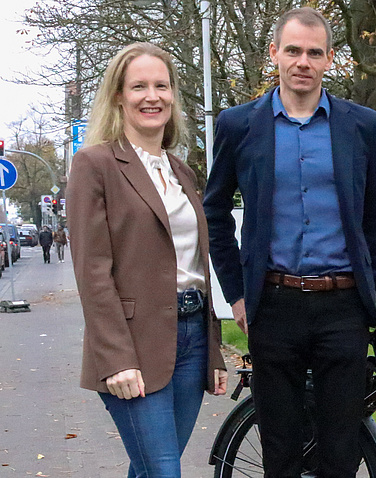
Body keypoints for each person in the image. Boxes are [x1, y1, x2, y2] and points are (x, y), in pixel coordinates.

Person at [204, 7, 376, 477]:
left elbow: (374, 219)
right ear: (274, 55)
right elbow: (214, 212)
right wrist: (238, 293)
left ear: (330, 59)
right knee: (279, 449)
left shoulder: (361, 125)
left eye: (314, 52)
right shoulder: (239, 125)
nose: (303, 61)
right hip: (273, 306)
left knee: (341, 451)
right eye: (294, 51)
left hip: (343, 308)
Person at [66, 42, 228, 478]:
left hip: (192, 337)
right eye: (138, 86)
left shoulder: (181, 171)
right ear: (119, 95)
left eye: (161, 85)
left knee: (154, 468)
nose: (151, 96)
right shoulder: (94, 165)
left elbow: (197, 268)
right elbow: (93, 272)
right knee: (162, 470)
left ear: (173, 95)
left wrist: (213, 351)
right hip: (134, 343)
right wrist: (116, 358)